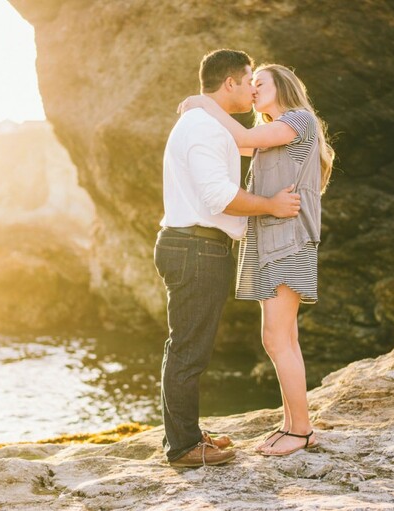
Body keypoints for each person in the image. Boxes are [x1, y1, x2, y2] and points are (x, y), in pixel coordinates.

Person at [156, 50, 302, 468]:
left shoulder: (208, 125)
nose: (253, 85)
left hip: (195, 245)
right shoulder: (202, 127)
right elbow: (218, 196)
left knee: (186, 345)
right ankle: (183, 447)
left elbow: (243, 148)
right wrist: (272, 206)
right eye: (249, 78)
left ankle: (185, 434)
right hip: (196, 248)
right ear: (231, 83)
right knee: (189, 349)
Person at [180, 63, 335, 456]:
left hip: (288, 243)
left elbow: (242, 135)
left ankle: (300, 431)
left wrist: (201, 102)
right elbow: (239, 143)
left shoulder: (298, 120)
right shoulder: (273, 134)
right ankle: (294, 425)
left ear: (281, 86)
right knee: (285, 338)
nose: (251, 89)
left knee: (277, 338)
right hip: (275, 242)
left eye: (258, 83)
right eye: (249, 83)